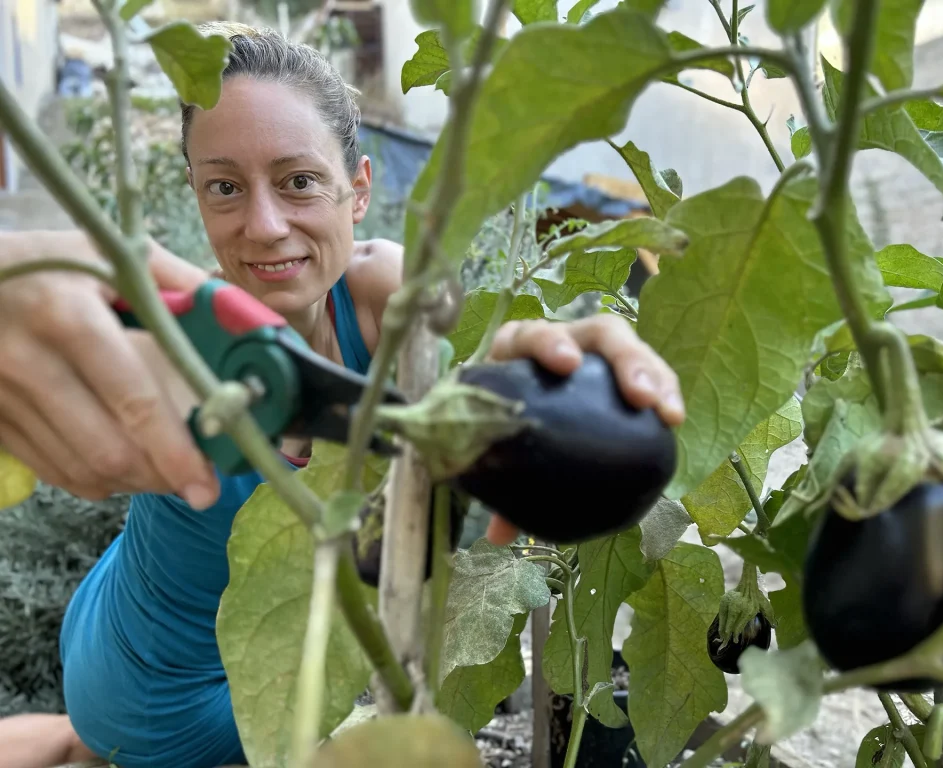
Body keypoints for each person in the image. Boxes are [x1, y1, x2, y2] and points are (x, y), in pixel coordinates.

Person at [0, 22, 684, 768]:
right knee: (104, 743)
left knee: (84, 745)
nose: (263, 226)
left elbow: (448, 379)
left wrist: (535, 379)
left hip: (189, 646)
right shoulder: (163, 345)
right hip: (158, 684)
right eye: (224, 187)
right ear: (196, 195)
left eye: (298, 181)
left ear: (358, 190)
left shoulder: (383, 297)